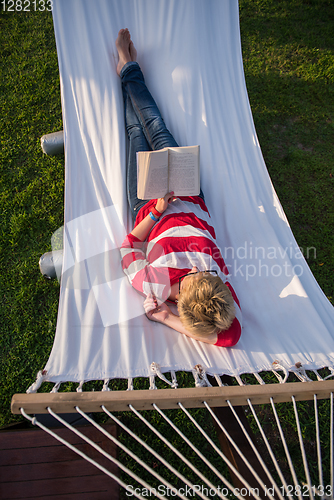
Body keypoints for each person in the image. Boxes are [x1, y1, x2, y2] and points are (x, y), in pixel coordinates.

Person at [117, 29, 242, 346]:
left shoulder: (154, 284)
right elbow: (230, 337)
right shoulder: (218, 288)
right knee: (155, 126)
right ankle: (129, 69)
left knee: (136, 133)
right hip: (188, 193)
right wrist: (168, 317)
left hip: (148, 205)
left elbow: (130, 244)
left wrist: (158, 211)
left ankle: (126, 70)